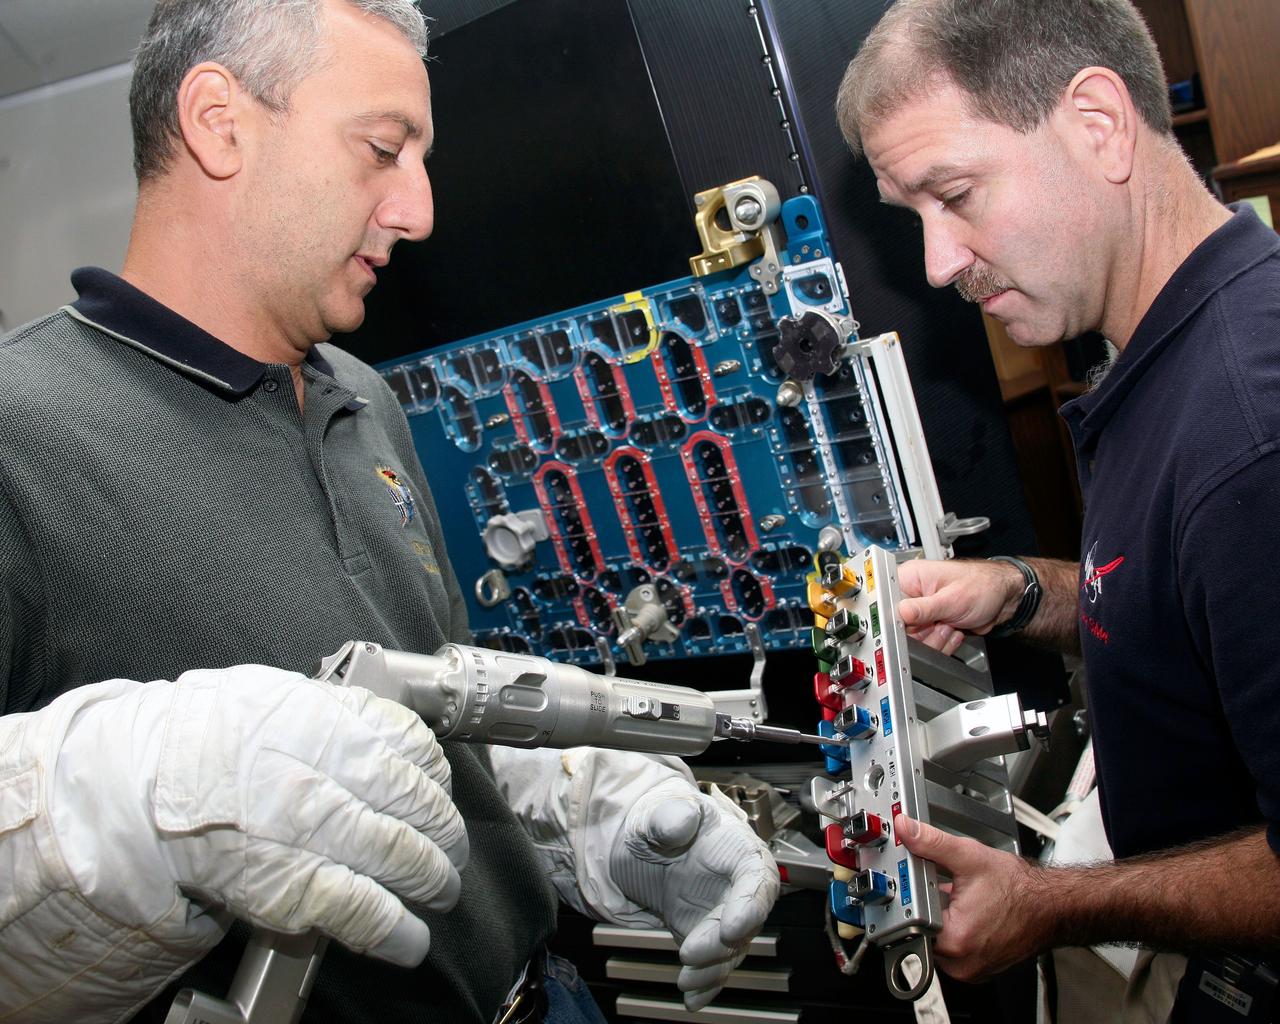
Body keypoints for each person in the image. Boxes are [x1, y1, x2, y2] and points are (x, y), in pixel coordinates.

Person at [0, 1, 779, 1022]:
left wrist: (595, 809)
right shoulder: (20, 432)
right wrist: (126, 804)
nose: (419, 211)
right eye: (381, 150)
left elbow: (444, 713)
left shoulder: (363, 399)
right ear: (219, 123)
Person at [835, 0, 1280, 1008]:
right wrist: (1018, 592)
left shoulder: (1251, 431)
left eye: (954, 195)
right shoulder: (1170, 353)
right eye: (914, 215)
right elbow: (1194, 605)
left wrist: (1053, 903)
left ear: (1097, 125)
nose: (937, 264)